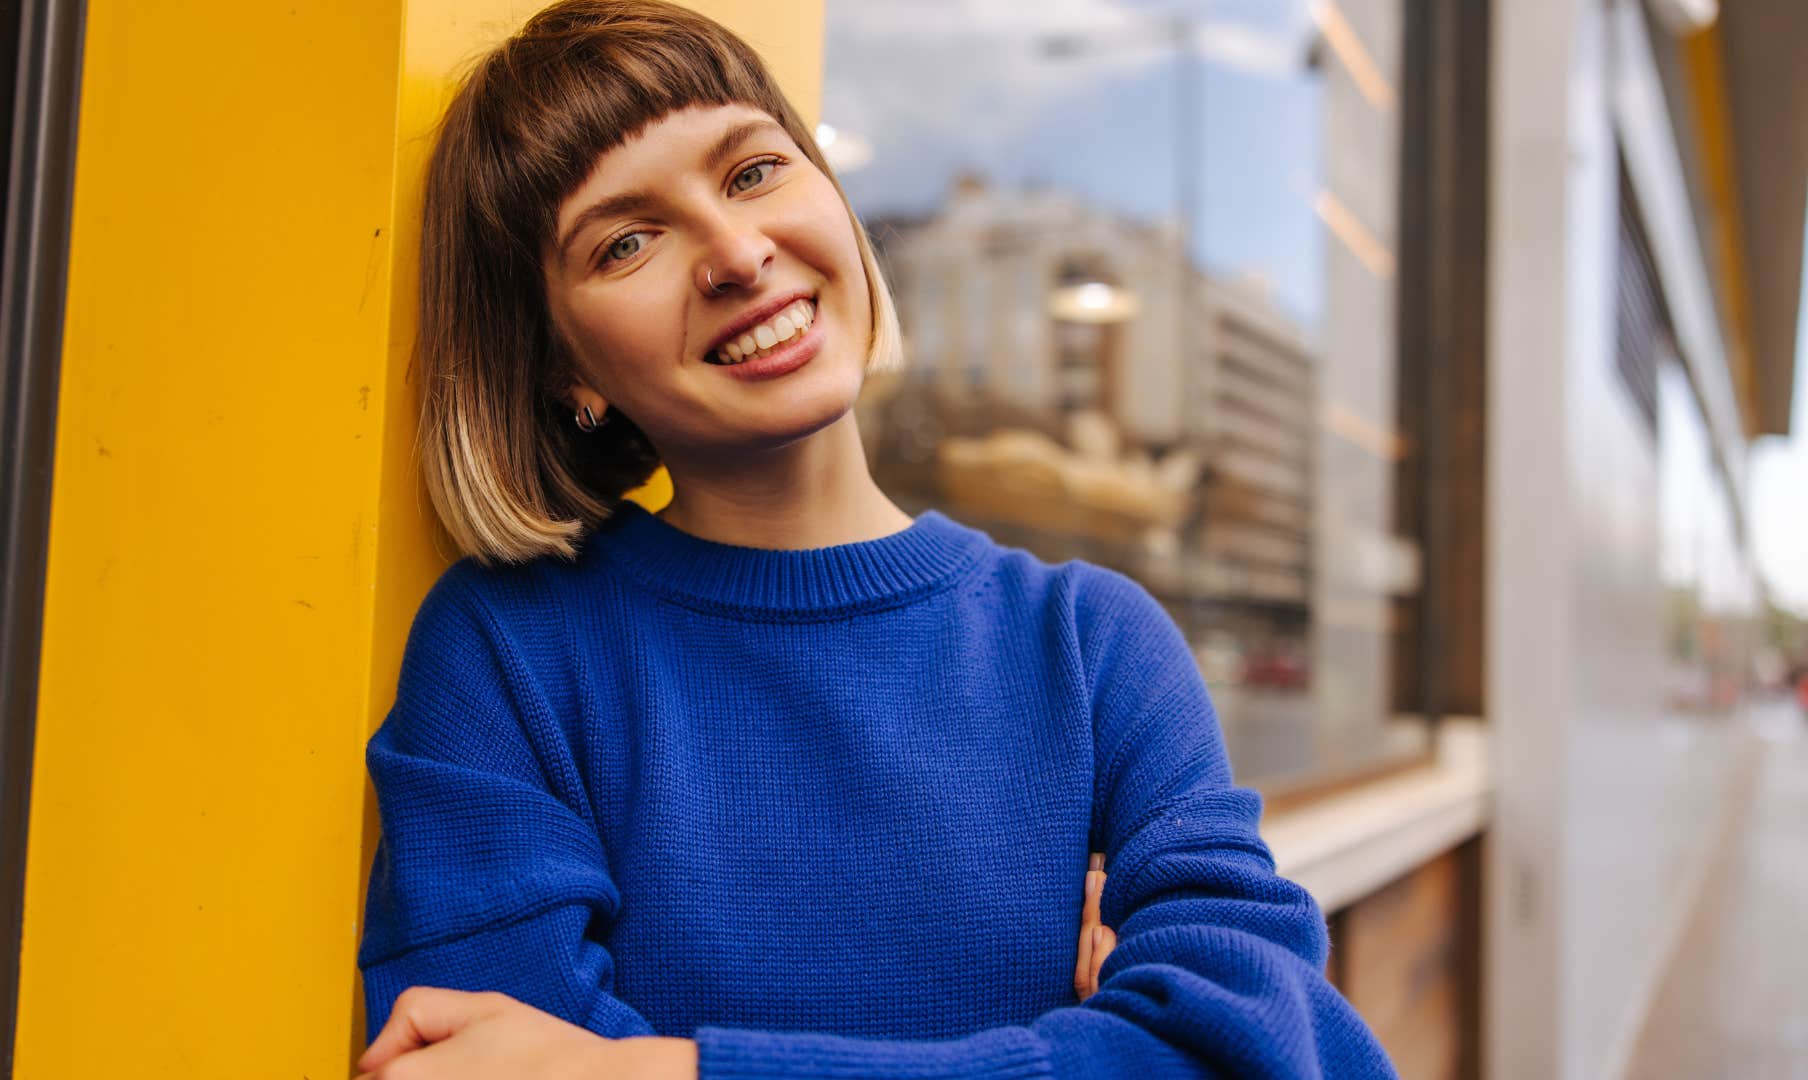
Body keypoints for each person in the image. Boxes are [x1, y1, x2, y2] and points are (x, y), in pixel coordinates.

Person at [353, 2, 1397, 1077]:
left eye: (753, 171)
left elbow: (1276, 1053)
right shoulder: (509, 660)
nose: (735, 252)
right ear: (562, 367)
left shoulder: (1093, 647)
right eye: (626, 242)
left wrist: (650, 1066)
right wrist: (1092, 1053)